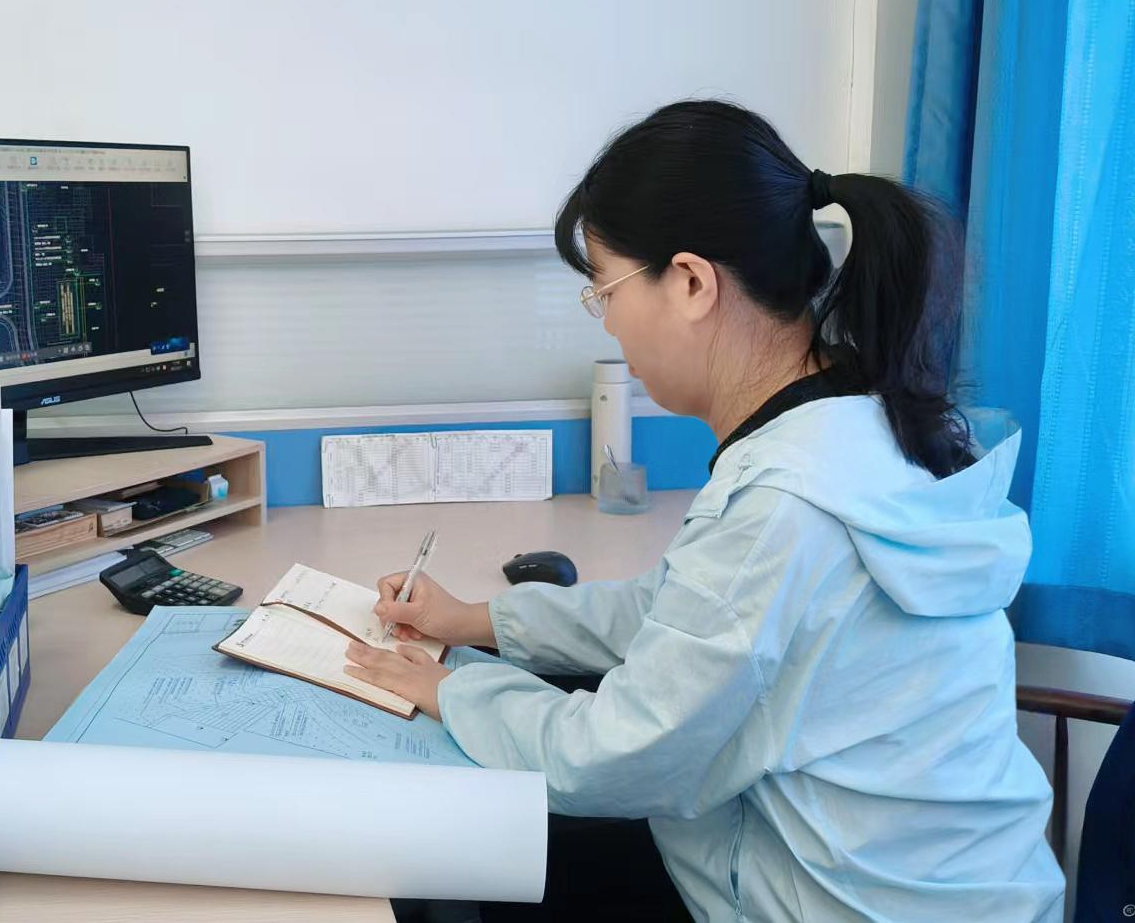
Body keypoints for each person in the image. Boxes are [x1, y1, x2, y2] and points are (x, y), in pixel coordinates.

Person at [344, 101, 1065, 922]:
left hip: (837, 906)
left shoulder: (784, 508)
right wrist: (477, 621)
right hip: (964, 893)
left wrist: (450, 690)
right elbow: (672, 613)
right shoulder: (860, 423)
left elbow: (606, 759)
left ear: (689, 282)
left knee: (470, 859)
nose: (609, 323)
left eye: (603, 289)